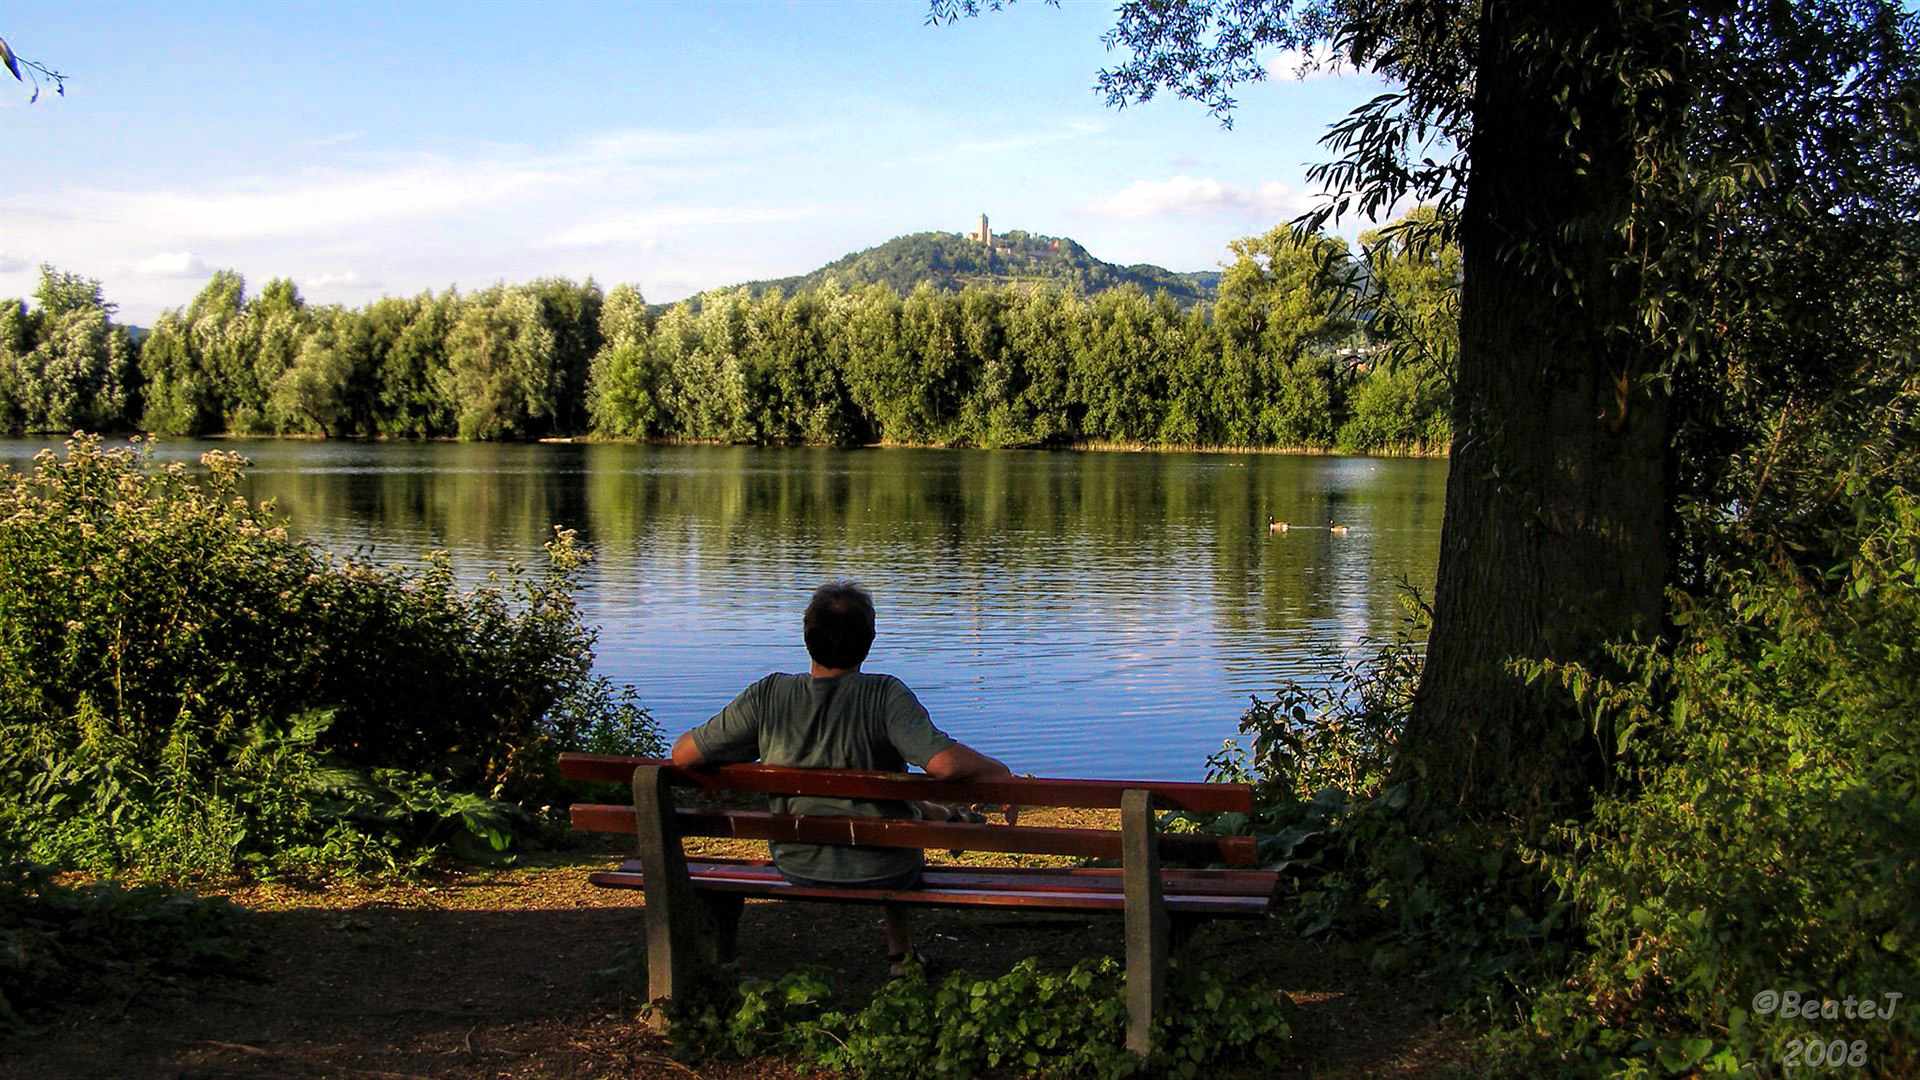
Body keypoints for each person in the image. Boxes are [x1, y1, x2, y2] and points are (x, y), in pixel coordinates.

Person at [671, 580, 1017, 975]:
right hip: (884, 867)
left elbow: (683, 755)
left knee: (893, 813)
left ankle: (902, 941)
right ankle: (900, 956)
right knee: (892, 822)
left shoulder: (768, 695)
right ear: (869, 641)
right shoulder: (885, 695)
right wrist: (1000, 772)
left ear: (807, 637)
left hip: (796, 860)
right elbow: (944, 764)